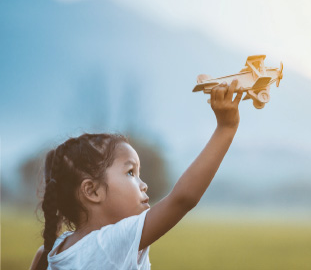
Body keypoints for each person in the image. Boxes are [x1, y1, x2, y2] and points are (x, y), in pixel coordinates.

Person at [30, 79, 244, 270]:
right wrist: (226, 128)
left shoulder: (50, 253)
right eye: (131, 172)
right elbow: (183, 199)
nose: (144, 185)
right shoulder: (110, 244)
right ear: (92, 191)